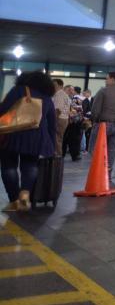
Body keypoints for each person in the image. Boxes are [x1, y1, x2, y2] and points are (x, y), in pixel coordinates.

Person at [0, 71, 57, 211]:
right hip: (37, 137)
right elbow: (52, 123)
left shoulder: (18, 90)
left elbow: (3, 110)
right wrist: (52, 144)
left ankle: (14, 200)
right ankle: (25, 194)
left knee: (9, 166)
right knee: (30, 165)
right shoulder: (47, 97)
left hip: (13, 134)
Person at [51, 78, 70, 159]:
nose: (53, 86)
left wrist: (52, 120)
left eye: (54, 85)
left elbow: (57, 110)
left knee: (57, 138)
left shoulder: (59, 94)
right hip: (63, 118)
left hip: (59, 118)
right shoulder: (62, 94)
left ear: (60, 85)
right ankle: (57, 155)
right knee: (58, 138)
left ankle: (57, 156)